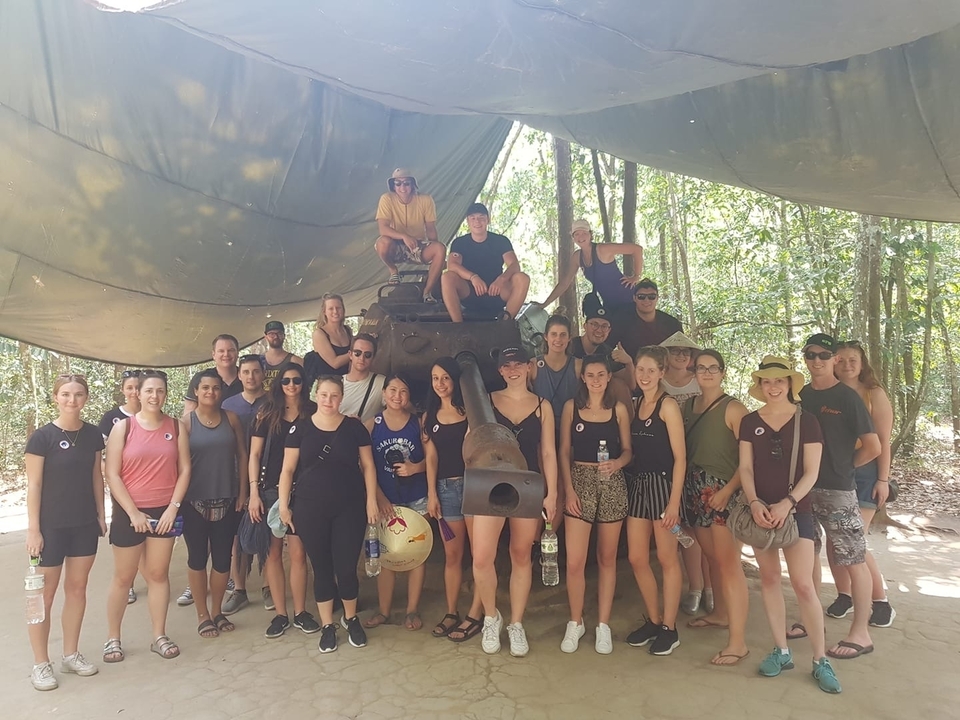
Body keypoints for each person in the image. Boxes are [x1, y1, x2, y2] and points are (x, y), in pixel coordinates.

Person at [738, 356, 841, 693]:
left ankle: (819, 658)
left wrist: (789, 502)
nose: (773, 386)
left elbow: (812, 472)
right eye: (767, 381)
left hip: (798, 512)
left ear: (789, 384)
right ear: (760, 385)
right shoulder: (749, 421)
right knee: (769, 579)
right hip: (760, 512)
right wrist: (754, 502)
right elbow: (746, 468)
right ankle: (781, 650)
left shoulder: (807, 421)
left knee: (803, 584)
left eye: (779, 380)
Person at [795, 334, 881, 660]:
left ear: (833, 359)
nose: (816, 360)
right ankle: (809, 619)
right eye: (810, 354)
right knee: (808, 554)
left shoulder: (847, 397)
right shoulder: (801, 395)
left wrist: (844, 468)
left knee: (853, 560)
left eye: (823, 355)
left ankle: (861, 632)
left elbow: (873, 446)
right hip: (803, 490)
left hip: (838, 492)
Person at [279, 376, 380, 654]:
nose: (329, 401)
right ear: (316, 395)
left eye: (334, 395)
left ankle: (350, 618)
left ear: (341, 397)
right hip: (310, 508)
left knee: (346, 567)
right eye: (324, 395)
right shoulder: (300, 429)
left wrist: (371, 500)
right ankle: (327, 625)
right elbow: (287, 470)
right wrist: (284, 505)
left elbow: (368, 466)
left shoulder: (354, 428)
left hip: (349, 506)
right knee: (321, 567)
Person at [473, 347, 558, 657]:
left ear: (529, 367)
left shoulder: (542, 406)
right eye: (506, 365)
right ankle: (491, 616)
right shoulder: (487, 402)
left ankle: (517, 623)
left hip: (528, 484)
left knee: (521, 554)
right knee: (482, 557)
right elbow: (471, 443)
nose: (513, 370)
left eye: (518, 364)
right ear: (500, 371)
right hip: (490, 484)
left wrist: (553, 492)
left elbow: (548, 452)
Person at [25, 374, 106, 691]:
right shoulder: (42, 437)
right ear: (56, 397)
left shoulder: (93, 435)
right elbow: (34, 484)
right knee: (41, 597)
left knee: (77, 589)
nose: (73, 400)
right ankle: (40, 663)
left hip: (84, 524)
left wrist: (101, 514)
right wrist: (33, 529)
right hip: (49, 528)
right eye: (66, 394)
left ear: (86, 398)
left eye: (79, 395)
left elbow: (96, 477)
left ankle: (70, 655)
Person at [103, 370, 190, 664]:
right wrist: (132, 513)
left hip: (164, 511)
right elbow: (111, 474)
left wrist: (173, 507)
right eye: (149, 391)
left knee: (157, 575)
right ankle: (113, 638)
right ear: (137, 394)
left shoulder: (175, 427)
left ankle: (158, 635)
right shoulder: (123, 428)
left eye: (160, 391)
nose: (155, 396)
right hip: (129, 512)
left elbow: (185, 469)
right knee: (124, 578)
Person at [558, 355, 632, 654]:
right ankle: (575, 622)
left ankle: (603, 624)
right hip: (579, 479)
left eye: (602, 374)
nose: (597, 380)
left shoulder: (619, 409)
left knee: (607, 558)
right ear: (583, 378)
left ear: (608, 377)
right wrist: (569, 490)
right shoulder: (570, 408)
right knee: (575, 561)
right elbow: (563, 450)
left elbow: (628, 451)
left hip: (612, 482)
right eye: (591, 374)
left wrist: (617, 464)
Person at [682, 350, 750, 666]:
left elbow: (750, 460)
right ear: (694, 372)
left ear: (722, 372)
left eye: (713, 368)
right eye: (701, 368)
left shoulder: (734, 408)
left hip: (722, 492)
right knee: (712, 558)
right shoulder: (688, 406)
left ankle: (738, 642)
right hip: (695, 491)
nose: (707, 372)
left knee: (729, 564)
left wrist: (729, 490)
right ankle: (721, 613)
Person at [249, 362, 320, 638]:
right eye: (286, 381)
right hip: (269, 489)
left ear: (304, 383)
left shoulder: (313, 412)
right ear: (279, 383)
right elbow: (254, 455)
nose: (291, 386)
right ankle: (280, 614)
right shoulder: (267, 413)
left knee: (300, 553)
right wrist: (253, 492)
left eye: (297, 381)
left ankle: (301, 611)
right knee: (273, 553)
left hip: (303, 490)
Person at [624, 346, 686, 656]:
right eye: (640, 370)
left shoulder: (668, 406)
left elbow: (680, 458)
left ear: (662, 373)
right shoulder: (636, 405)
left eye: (651, 370)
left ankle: (669, 628)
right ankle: (654, 619)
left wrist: (674, 504)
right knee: (636, 557)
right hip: (639, 487)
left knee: (667, 559)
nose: (645, 376)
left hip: (664, 488)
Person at [832, 340, 896, 628]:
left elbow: (884, 441)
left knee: (854, 540)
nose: (847, 365)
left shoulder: (874, 393)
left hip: (867, 472)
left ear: (862, 363)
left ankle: (881, 601)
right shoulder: (828, 391)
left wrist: (883, 479)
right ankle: (844, 595)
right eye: (841, 359)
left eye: (853, 359)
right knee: (835, 541)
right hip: (834, 471)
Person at [182, 369, 249, 638]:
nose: (211, 392)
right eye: (205, 388)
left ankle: (217, 610)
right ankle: (202, 614)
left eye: (216, 388)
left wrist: (243, 492)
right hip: (193, 500)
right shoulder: (185, 423)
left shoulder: (231, 418)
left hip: (227, 497)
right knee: (198, 558)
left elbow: (243, 456)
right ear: (196, 391)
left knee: (223, 559)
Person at [364, 374, 429, 631]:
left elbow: (433, 459)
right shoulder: (372, 425)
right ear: (383, 393)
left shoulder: (419, 424)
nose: (397, 396)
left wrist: (416, 468)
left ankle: (412, 610)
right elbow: (364, 465)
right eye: (392, 390)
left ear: (409, 396)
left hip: (417, 498)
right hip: (385, 500)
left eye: (403, 391)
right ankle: (384, 610)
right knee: (387, 555)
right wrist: (378, 497)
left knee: (418, 555)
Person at [659, 331, 709, 616]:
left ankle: (708, 587)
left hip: (698, 457)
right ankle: (695, 587)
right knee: (682, 528)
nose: (681, 355)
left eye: (686, 352)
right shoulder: (659, 382)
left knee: (706, 529)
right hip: (667, 460)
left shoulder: (699, 382)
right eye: (675, 350)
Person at [422, 358, 471, 639]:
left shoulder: (470, 411)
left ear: (455, 380)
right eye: (435, 378)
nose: (440, 384)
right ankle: (452, 611)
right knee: (453, 556)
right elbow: (431, 458)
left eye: (445, 378)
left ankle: (479, 613)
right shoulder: (429, 416)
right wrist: (432, 494)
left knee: (479, 555)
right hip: (446, 490)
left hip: (474, 488)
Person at [219, 354, 267, 616]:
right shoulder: (228, 404)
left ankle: (269, 585)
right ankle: (239, 589)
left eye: (256, 372)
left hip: (268, 475)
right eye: (246, 372)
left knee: (268, 530)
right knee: (238, 535)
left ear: (263, 374)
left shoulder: (273, 402)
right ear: (239, 375)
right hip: (235, 476)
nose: (251, 377)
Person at [440, 202, 530, 322]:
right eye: (473, 218)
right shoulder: (460, 242)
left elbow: (514, 265)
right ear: (468, 221)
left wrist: (501, 279)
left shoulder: (501, 241)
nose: (477, 222)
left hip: (496, 291)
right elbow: (452, 265)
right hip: (469, 292)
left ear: (488, 220)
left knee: (522, 278)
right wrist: (473, 277)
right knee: (447, 277)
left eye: (481, 218)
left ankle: (505, 323)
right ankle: (458, 326)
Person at [98, 369, 142, 606]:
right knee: (125, 533)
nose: (134, 392)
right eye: (130, 388)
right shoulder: (112, 418)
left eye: (138, 387)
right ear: (123, 390)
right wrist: (109, 473)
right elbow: (99, 453)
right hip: (121, 486)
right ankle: (129, 584)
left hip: (147, 485)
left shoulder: (154, 415)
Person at [374, 168, 447, 302]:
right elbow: (383, 229)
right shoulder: (386, 199)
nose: (402, 187)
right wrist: (404, 236)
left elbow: (430, 228)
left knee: (440, 249)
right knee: (382, 242)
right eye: (398, 183)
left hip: (417, 246)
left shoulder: (425, 199)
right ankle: (393, 270)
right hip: (395, 244)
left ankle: (427, 292)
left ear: (413, 184)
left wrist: (437, 253)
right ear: (393, 186)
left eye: (406, 183)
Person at [540, 219, 643, 311]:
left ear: (590, 234)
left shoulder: (602, 249)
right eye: (577, 234)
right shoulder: (577, 257)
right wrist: (544, 304)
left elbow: (637, 249)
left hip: (628, 299)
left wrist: (636, 276)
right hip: (608, 304)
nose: (581, 237)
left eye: (584, 233)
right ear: (573, 237)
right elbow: (565, 282)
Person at [607, 279, 683, 361]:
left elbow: (683, 351)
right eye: (641, 297)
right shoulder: (621, 321)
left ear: (657, 298)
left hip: (665, 370)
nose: (646, 300)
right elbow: (606, 347)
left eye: (651, 297)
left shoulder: (672, 324)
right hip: (632, 369)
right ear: (634, 298)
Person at [531, 314, 582, 427]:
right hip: (541, 425)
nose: (558, 339)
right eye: (553, 334)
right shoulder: (533, 365)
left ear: (569, 338)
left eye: (563, 335)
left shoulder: (578, 365)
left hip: (571, 425)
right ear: (546, 336)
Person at [183, 334, 243, 415]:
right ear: (213, 355)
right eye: (221, 351)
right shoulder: (201, 379)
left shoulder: (248, 378)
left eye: (231, 350)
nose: (226, 354)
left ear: (237, 353)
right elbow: (189, 412)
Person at [304, 293, 353, 390]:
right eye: (331, 308)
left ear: (343, 310)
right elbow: (335, 363)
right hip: (326, 386)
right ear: (324, 312)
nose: (335, 311)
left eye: (338, 308)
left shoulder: (347, 331)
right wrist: (357, 352)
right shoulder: (319, 334)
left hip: (347, 384)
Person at [340, 334, 386, 423]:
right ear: (350, 355)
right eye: (357, 353)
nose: (362, 358)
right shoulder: (336, 383)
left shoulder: (381, 382)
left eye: (367, 355)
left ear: (373, 357)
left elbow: (404, 409)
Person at [260, 321, 303, 391]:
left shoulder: (295, 361)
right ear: (266, 337)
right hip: (262, 401)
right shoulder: (259, 360)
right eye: (271, 334)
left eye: (279, 333)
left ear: (284, 335)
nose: (276, 337)